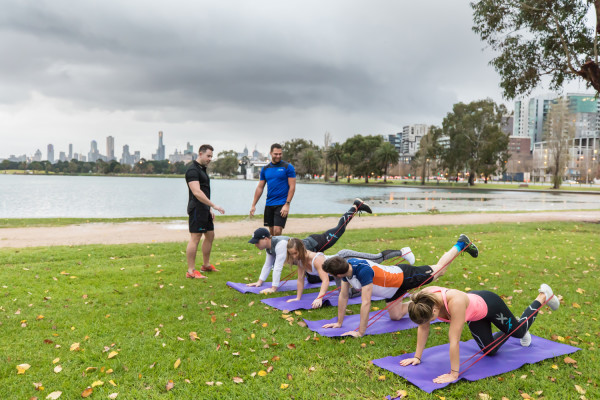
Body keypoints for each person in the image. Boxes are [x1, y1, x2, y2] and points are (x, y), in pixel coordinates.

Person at [321, 234, 479, 337]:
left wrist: (360, 332)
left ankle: (460, 243)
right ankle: (422, 299)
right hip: (392, 291)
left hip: (405, 277)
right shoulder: (346, 271)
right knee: (396, 316)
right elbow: (343, 296)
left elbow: (366, 303)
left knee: (440, 270)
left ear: (338, 274)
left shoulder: (362, 272)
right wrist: (339, 322)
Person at [400, 283, 561, 384]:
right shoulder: (421, 301)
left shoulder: (454, 302)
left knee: (519, 332)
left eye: (431, 317)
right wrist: (417, 356)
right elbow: (423, 327)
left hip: (490, 305)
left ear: (434, 309)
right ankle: (511, 327)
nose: (429, 322)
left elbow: (454, 340)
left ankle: (543, 296)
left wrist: (454, 374)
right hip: (474, 315)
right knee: (490, 351)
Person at [247, 198, 372, 294]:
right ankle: (336, 275)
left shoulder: (280, 245)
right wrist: (259, 282)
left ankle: (356, 206)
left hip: (316, 243)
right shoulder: (269, 248)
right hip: (308, 257)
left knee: (339, 229)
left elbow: (278, 267)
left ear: (266, 238)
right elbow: (268, 264)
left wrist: (274, 288)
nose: (256, 244)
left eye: (257, 241)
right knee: (312, 279)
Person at [285, 237, 415, 309]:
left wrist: (319, 297)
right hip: (336, 272)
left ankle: (403, 252)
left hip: (345, 258)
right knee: (347, 294)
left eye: (295, 253)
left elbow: (325, 280)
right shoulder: (301, 261)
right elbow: (300, 279)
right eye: (292, 254)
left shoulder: (316, 259)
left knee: (377, 259)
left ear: (302, 249)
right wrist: (297, 297)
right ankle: (362, 287)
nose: (294, 256)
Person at [185, 144, 225, 279]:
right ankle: (191, 271)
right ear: (200, 154)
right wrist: (214, 205)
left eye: (211, 156)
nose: (210, 159)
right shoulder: (192, 170)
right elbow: (196, 192)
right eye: (208, 156)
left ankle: (206, 265)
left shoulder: (202, 170)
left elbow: (204, 192)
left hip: (204, 209)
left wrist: (208, 208)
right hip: (196, 208)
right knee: (195, 238)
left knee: (210, 235)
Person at [249, 143, 296, 236]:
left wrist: (287, 204)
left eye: (280, 154)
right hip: (269, 203)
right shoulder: (265, 169)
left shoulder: (288, 167)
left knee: (277, 230)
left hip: (282, 203)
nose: (278, 156)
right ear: (271, 153)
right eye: (276, 154)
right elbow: (260, 187)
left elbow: (292, 187)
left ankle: (278, 250)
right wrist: (253, 205)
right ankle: (274, 250)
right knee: (271, 232)